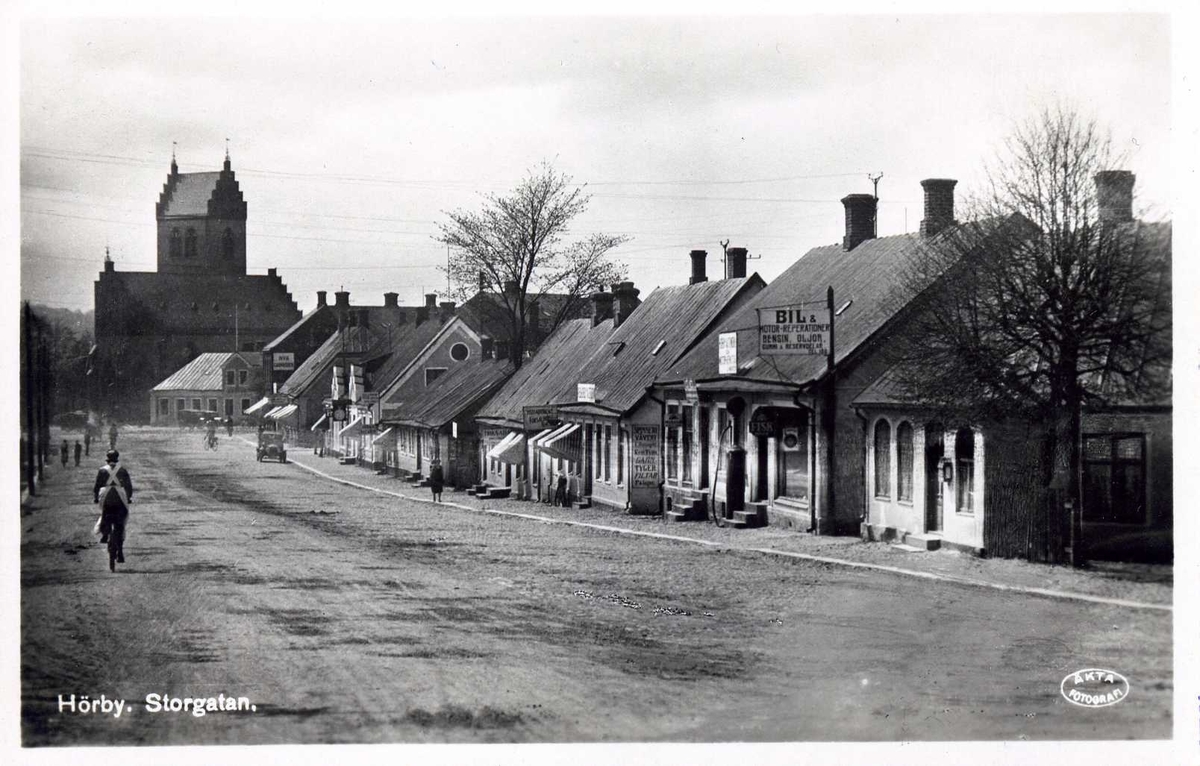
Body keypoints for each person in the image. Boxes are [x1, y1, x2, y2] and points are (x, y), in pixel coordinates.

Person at [93, 449, 133, 571]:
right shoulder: (122, 470)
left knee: (104, 512)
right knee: (121, 523)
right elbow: (129, 487)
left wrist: (96, 498)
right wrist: (129, 498)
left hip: (106, 498)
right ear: (117, 458)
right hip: (120, 498)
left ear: (108, 459)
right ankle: (120, 552)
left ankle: (105, 534)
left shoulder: (102, 470)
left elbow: (96, 487)